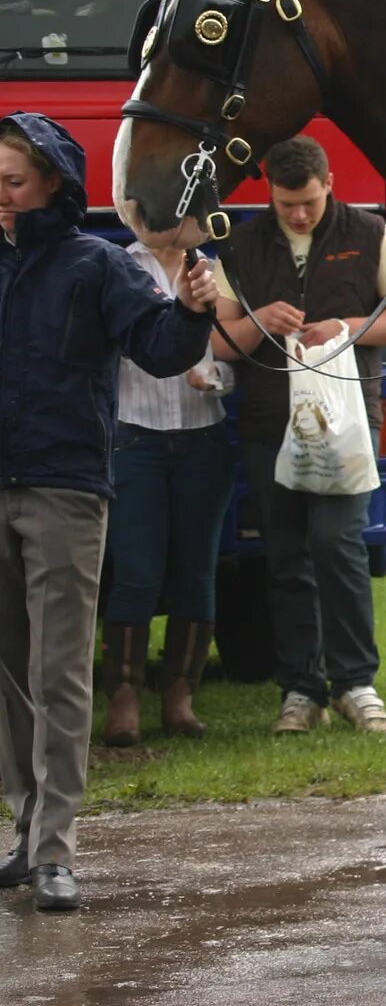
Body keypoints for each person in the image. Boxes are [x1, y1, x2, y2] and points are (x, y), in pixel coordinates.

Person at [0, 112, 217, 913]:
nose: (1, 197)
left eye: (13, 183)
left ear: (52, 184)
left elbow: (160, 348)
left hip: (63, 488)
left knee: (58, 671)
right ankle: (26, 826)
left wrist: (193, 311)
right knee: (6, 672)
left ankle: (55, 848)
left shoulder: (94, 264)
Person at [212, 136, 386, 737]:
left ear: (328, 183)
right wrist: (258, 325)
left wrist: (347, 328)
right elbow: (219, 342)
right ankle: (301, 691)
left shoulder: (371, 234)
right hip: (268, 422)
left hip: (349, 421)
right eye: (286, 205)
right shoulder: (243, 244)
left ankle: (355, 682)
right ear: (269, 195)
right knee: (285, 557)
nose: (299, 215)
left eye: (307, 202)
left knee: (338, 544)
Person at [100, 238, 237, 747]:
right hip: (135, 434)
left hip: (204, 435)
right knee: (136, 570)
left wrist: (216, 376)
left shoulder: (216, 268)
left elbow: (234, 348)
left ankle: (180, 692)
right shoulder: (118, 265)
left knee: (197, 570)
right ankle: (124, 694)